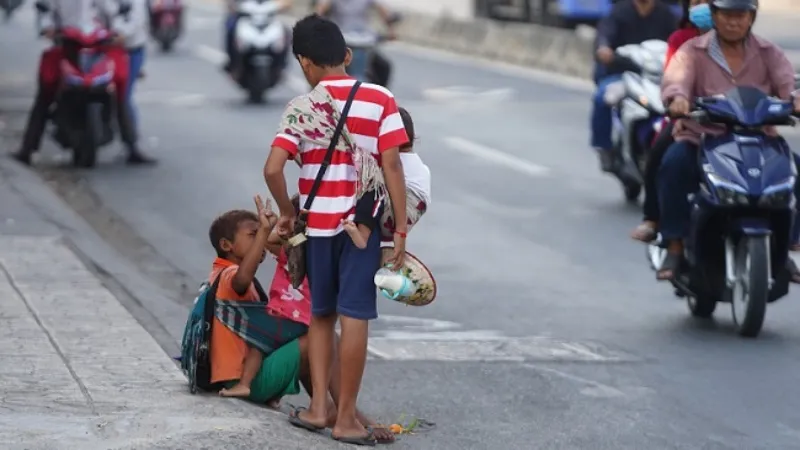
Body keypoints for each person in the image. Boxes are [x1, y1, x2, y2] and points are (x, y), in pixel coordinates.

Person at [264, 15, 409, 445]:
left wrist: (288, 211)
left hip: (319, 229)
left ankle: (317, 409)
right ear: (347, 56)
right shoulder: (380, 99)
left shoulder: (301, 108)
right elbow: (393, 164)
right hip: (362, 229)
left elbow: (273, 168)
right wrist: (399, 228)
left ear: (303, 62)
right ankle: (346, 418)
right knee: (357, 316)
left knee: (321, 315)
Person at [210, 197, 396, 444]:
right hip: (247, 380)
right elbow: (245, 276)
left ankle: (331, 409)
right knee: (318, 339)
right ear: (226, 245)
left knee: (318, 339)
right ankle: (346, 413)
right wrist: (269, 228)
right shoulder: (228, 274)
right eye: (252, 235)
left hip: (255, 373)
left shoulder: (301, 255)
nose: (261, 243)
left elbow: (285, 249)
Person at [656, 0, 800, 280]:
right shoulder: (692, 51)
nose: (733, 22)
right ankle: (674, 246)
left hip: (759, 140)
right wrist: (679, 99)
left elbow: (788, 85)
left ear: (751, 17)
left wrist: (795, 100)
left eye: (740, 15)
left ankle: (790, 247)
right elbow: (677, 80)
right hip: (702, 139)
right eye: (727, 15)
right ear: (714, 16)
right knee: (672, 166)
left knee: (798, 172)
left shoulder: (769, 52)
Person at [13, 0, 154, 165]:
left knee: (120, 89)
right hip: (67, 45)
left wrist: (120, 30)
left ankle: (131, 145)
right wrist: (48, 27)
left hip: (101, 46)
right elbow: (45, 10)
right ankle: (28, 148)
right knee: (46, 88)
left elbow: (124, 13)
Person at [630, 0, 712, 242]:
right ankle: (653, 219)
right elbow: (674, 78)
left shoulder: (754, 47)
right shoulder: (682, 40)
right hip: (689, 118)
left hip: (733, 121)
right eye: (697, 1)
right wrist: (679, 100)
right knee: (660, 157)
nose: (703, 6)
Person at [591, 0, 677, 172]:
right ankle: (604, 148)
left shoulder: (666, 15)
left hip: (658, 77)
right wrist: (605, 50)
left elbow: (678, 40)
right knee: (602, 98)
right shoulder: (618, 12)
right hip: (623, 74)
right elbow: (604, 37)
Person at [343, 106, 431, 248]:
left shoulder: (393, 162)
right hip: (406, 217)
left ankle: (362, 235)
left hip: (396, 213)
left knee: (372, 184)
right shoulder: (422, 167)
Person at [103, 0, 156, 164]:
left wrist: (119, 33)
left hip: (129, 48)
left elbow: (136, 19)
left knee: (123, 96)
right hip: (101, 46)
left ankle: (132, 145)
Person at [315, 0, 398, 82]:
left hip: (364, 40)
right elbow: (321, 9)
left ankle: (378, 93)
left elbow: (383, 10)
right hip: (340, 41)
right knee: (321, 66)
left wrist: (391, 30)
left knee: (384, 67)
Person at [222, 0, 291, 74]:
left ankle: (281, 65)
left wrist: (284, 4)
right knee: (231, 28)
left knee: (285, 32)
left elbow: (285, 3)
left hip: (267, 22)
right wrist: (233, 6)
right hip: (246, 20)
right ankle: (233, 63)